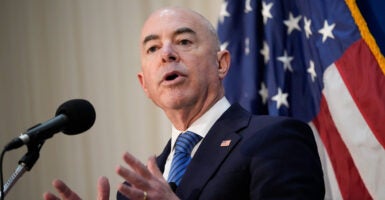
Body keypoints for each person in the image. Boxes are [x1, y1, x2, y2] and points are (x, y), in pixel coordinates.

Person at [43, 7, 325, 200]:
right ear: (145, 84)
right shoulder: (134, 190)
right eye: (152, 48)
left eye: (184, 41)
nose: (166, 53)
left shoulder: (275, 139)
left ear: (221, 64)